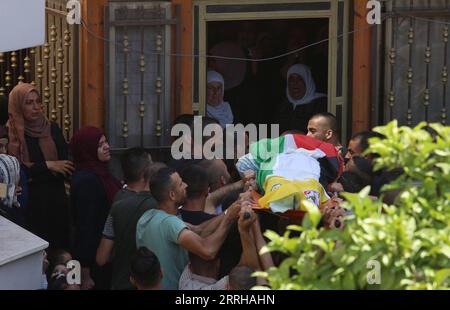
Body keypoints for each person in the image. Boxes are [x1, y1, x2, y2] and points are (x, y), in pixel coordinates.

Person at [136, 167, 240, 290]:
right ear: (172, 195)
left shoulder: (148, 217)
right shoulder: (169, 223)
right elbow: (208, 251)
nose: (186, 185)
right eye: (180, 184)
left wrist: (230, 210)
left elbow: (199, 230)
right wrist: (229, 218)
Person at [8, 83, 73, 249]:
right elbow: (17, 172)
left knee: (59, 250)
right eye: (29, 103)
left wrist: (35, 171)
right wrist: (48, 165)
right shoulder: (12, 135)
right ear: (18, 105)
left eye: (38, 101)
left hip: (55, 200)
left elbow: (65, 167)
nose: (36, 107)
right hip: (29, 204)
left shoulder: (52, 128)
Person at [96, 147, 157, 290]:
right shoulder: (157, 204)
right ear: (145, 172)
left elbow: (101, 258)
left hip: (120, 282)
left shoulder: (118, 200)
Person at [70, 126, 122, 290]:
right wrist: (85, 273)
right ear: (87, 150)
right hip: (95, 260)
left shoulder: (101, 173)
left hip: (105, 252)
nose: (107, 146)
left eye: (105, 141)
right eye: (100, 145)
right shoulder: (87, 181)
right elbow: (86, 227)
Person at [278, 64, 327, 133]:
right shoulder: (284, 105)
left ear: (307, 81)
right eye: (291, 79)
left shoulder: (320, 103)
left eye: (300, 78)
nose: (295, 83)